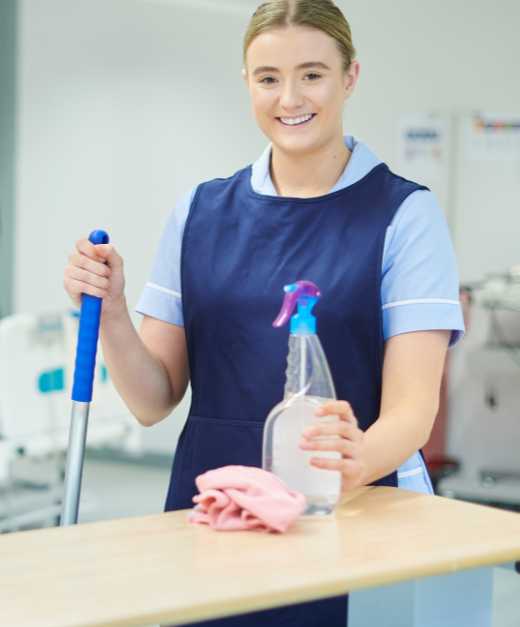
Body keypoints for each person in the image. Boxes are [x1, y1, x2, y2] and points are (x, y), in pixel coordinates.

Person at [61, 1, 463, 625]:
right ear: (247, 82)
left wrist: (352, 463)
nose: (290, 97)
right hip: (214, 509)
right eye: (268, 77)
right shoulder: (199, 212)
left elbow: (413, 408)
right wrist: (112, 310)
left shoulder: (404, 216)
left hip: (349, 514)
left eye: (312, 74)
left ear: (350, 78)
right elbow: (152, 399)